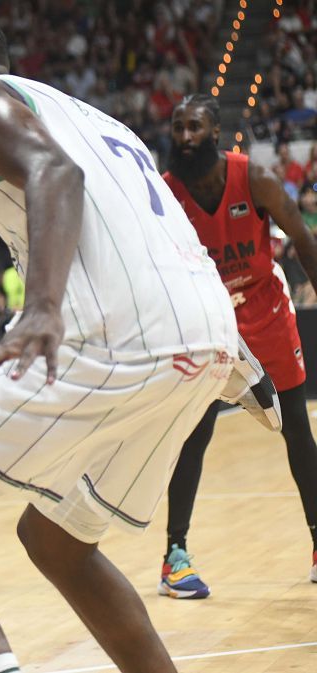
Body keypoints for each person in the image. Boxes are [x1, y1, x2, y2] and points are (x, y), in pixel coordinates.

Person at [0, 10, 247, 673]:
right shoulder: (101, 119)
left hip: (108, 329)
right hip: (209, 337)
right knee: (58, 541)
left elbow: (56, 177)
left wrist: (41, 307)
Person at [159, 94, 317, 596]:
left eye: (195, 127)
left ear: (216, 132)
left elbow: (304, 239)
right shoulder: (164, 193)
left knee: (296, 428)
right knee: (195, 433)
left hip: (266, 314)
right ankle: (174, 557)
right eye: (178, 127)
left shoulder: (256, 179)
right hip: (210, 325)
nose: (185, 137)